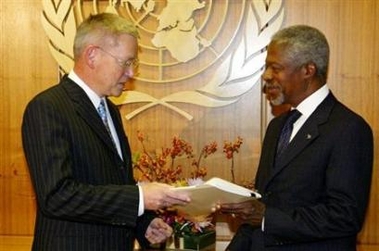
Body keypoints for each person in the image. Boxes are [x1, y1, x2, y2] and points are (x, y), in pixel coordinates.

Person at [22, 13, 190, 251]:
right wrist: (140, 198)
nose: (132, 73)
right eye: (126, 62)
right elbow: (57, 196)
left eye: (134, 64)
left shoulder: (110, 110)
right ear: (92, 55)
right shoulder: (48, 108)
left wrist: (143, 223)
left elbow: (115, 183)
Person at [219, 25, 373, 250]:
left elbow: (345, 216)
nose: (266, 75)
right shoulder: (277, 126)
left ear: (308, 70)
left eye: (275, 67)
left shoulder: (349, 129)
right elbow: (264, 205)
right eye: (266, 67)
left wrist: (267, 218)